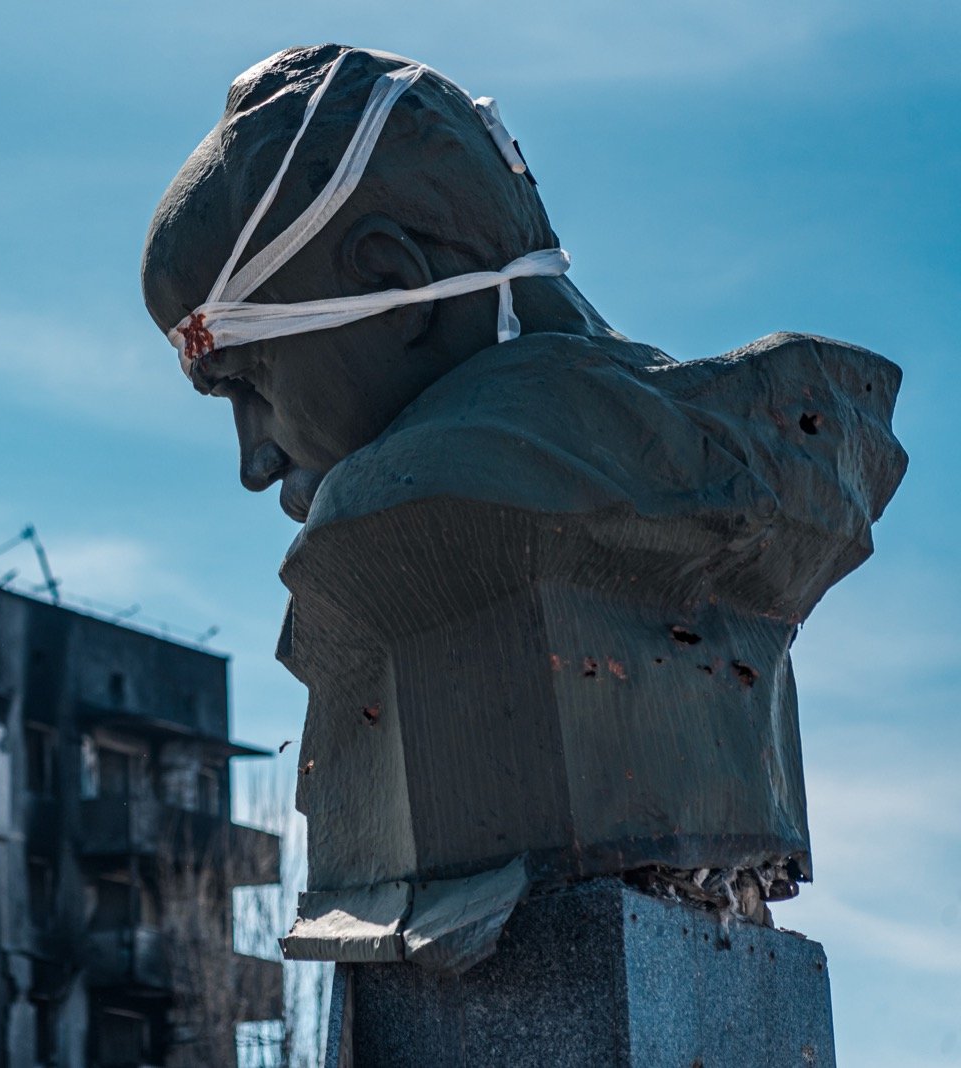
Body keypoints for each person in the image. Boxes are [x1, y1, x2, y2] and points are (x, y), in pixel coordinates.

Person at [139, 45, 906, 935]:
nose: (253, 460)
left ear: (390, 279)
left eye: (251, 381)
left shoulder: (417, 502)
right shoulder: (775, 438)